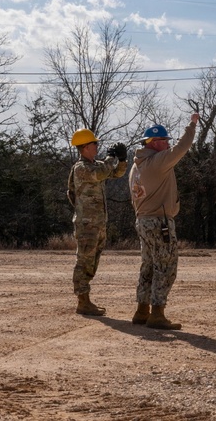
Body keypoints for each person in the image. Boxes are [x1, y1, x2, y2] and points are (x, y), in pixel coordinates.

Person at [128, 113, 198, 330]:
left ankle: (142, 310)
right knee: (166, 267)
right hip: (160, 222)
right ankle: (157, 314)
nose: (168, 144)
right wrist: (192, 125)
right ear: (154, 142)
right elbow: (182, 148)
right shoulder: (158, 162)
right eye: (165, 141)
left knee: (148, 266)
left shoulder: (136, 167)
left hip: (142, 221)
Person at [67, 129, 127, 316]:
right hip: (87, 224)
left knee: (92, 261)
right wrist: (110, 157)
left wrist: (122, 159)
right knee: (84, 261)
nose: (97, 146)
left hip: (98, 223)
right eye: (95, 143)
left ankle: (85, 300)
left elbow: (116, 173)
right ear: (85, 147)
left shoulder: (96, 165)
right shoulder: (81, 168)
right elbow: (100, 174)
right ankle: (82, 301)